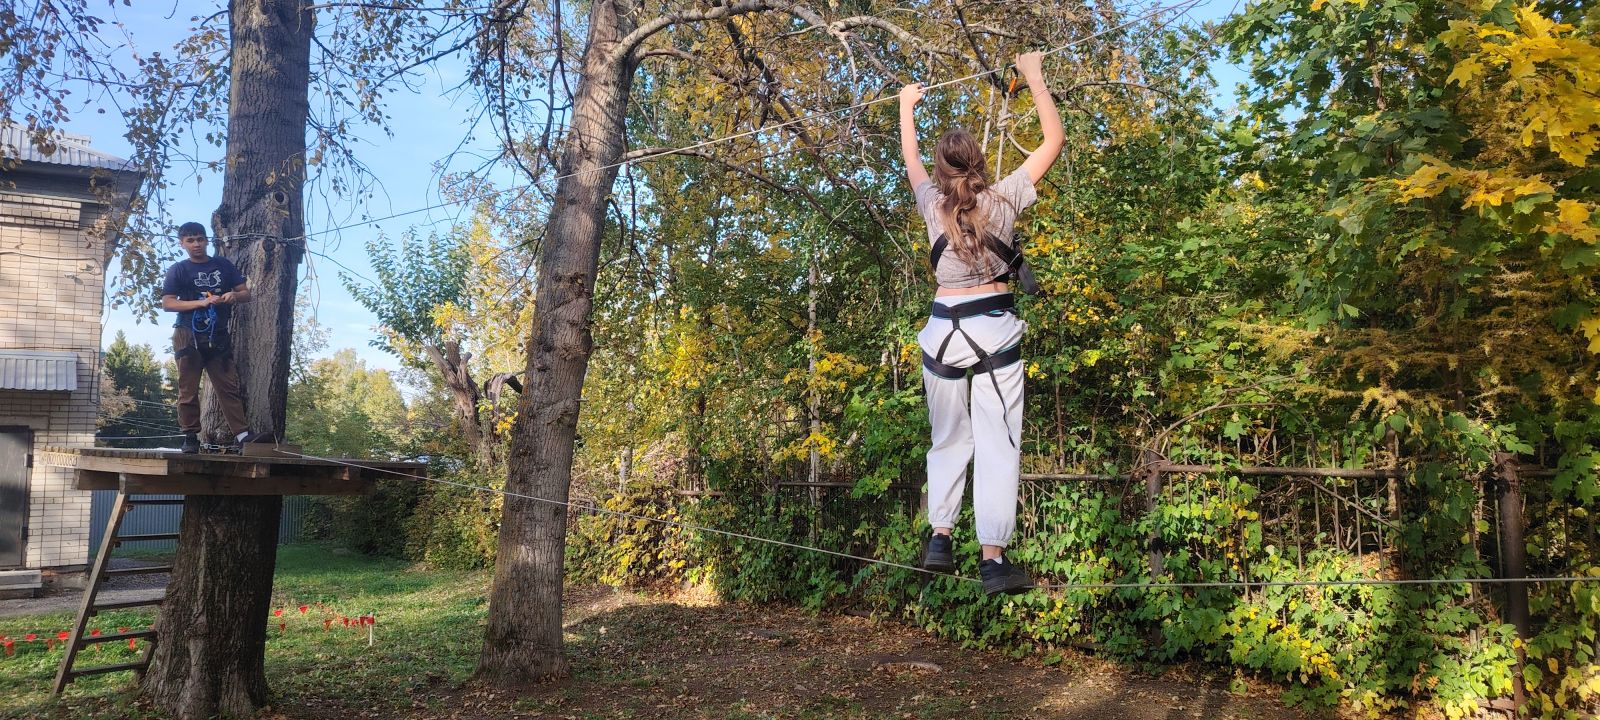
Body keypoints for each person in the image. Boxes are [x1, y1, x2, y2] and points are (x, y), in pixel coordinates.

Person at [899, 51, 1064, 595]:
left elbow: (910, 157)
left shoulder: (931, 205)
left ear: (943, 172)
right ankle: (993, 559)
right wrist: (1034, 76)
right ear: (977, 163)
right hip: (992, 330)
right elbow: (1053, 141)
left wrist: (906, 106)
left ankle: (940, 537)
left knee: (947, 438)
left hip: (941, 334)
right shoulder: (1005, 197)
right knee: (997, 442)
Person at [161, 222, 257, 453]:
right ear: (182, 244)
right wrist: (201, 302)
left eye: (200, 239)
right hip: (187, 334)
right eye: (190, 240)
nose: (196, 244)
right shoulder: (179, 270)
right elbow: (168, 303)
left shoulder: (222, 265)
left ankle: (243, 435)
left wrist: (234, 295)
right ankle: (190, 436)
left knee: (228, 385)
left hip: (218, 334)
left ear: (206, 240)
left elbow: (246, 293)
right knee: (188, 388)